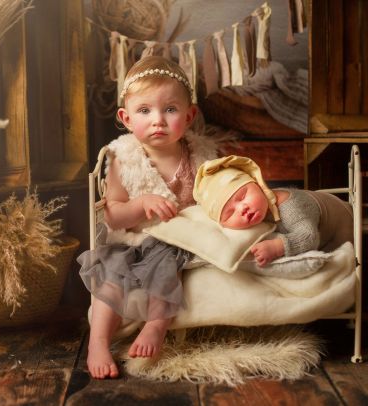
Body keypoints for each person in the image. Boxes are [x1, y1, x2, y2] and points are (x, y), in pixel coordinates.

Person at [78, 56, 218, 379]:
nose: (158, 120)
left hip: (174, 240)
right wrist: (141, 204)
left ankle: (155, 326)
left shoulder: (201, 158)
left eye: (170, 109)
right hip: (131, 239)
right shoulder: (122, 159)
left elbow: (213, 199)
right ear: (126, 118)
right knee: (110, 278)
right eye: (144, 111)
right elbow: (112, 215)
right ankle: (97, 342)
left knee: (167, 270)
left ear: (189, 115)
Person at [193, 155, 353, 266]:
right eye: (229, 213)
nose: (242, 209)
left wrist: (278, 247)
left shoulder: (289, 207)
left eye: (242, 196)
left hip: (345, 225)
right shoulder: (261, 205)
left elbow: (309, 236)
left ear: (257, 184)